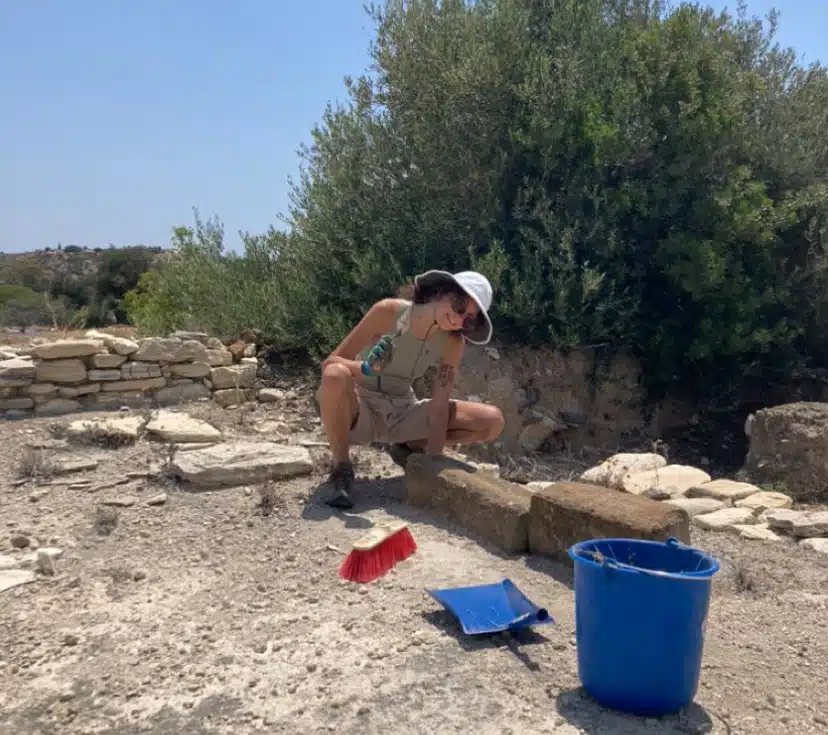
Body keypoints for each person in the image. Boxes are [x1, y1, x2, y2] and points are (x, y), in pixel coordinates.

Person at [316, 269, 506, 509]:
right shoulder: (387, 312)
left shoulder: (453, 342)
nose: (459, 320)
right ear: (441, 291)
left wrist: (432, 462)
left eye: (469, 320)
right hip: (359, 409)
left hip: (403, 411)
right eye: (459, 306)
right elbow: (330, 364)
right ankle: (342, 469)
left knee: (491, 422)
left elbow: (440, 403)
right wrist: (365, 368)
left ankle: (411, 446)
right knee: (335, 376)